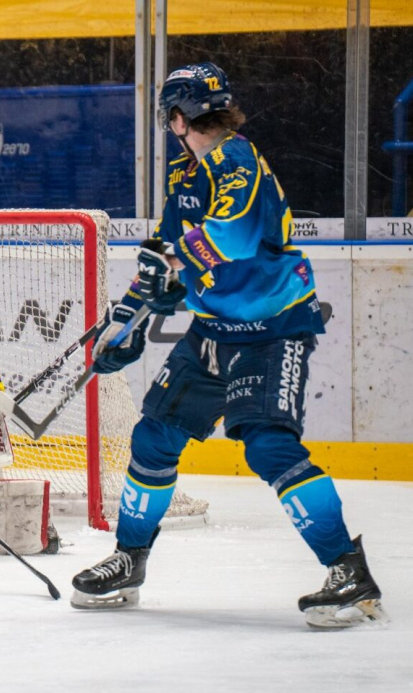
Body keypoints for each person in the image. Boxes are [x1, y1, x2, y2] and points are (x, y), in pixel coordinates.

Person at [70, 62, 386, 629]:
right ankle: (130, 559)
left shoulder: (236, 159)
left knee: (267, 446)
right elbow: (167, 251)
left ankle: (349, 569)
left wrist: (171, 263)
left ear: (176, 116)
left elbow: (232, 238)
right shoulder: (187, 174)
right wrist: (134, 319)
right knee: (154, 436)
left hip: (273, 331)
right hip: (212, 332)